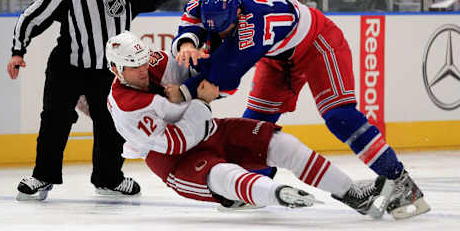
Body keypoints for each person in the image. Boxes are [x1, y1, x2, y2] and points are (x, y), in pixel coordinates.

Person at [170, 0, 430, 219]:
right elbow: (191, 18)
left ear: (238, 16)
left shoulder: (253, 28)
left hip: (319, 43)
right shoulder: (208, 2)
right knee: (254, 125)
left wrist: (181, 92)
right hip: (278, 56)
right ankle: (258, 185)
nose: (219, 34)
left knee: (340, 116)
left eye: (225, 28)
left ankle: (401, 182)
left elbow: (220, 84)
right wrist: (186, 43)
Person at [104, 30, 394, 218]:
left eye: (143, 61)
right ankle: (275, 195)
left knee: (281, 143)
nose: (143, 69)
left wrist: (208, 60)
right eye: (134, 66)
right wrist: (200, 102)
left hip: (206, 128)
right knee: (224, 176)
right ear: (116, 70)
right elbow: (176, 143)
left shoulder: (150, 62)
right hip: (172, 159)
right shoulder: (128, 107)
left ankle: (351, 193)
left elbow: (189, 70)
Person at [7, 0, 172, 201]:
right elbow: (30, 18)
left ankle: (109, 178)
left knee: (111, 124)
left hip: (109, 71)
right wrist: (17, 51)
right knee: (54, 121)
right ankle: (43, 177)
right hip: (67, 67)